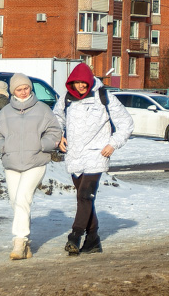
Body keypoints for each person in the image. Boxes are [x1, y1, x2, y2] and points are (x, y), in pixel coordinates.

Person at [54, 63, 132, 255]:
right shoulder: (66, 99)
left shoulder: (103, 97)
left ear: (90, 82)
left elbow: (126, 123)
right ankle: (93, 240)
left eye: (83, 82)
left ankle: (75, 236)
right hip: (74, 155)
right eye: (77, 82)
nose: (80, 86)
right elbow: (56, 120)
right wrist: (58, 138)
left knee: (84, 196)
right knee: (84, 200)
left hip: (97, 154)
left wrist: (113, 144)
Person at [0, 73, 62, 260]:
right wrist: (2, 147)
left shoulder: (43, 109)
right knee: (16, 201)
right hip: (12, 162)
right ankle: (26, 244)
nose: (23, 92)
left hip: (35, 161)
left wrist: (43, 145)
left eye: (26, 88)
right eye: (19, 89)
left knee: (22, 197)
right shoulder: (5, 112)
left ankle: (19, 241)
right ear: (13, 91)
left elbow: (54, 131)